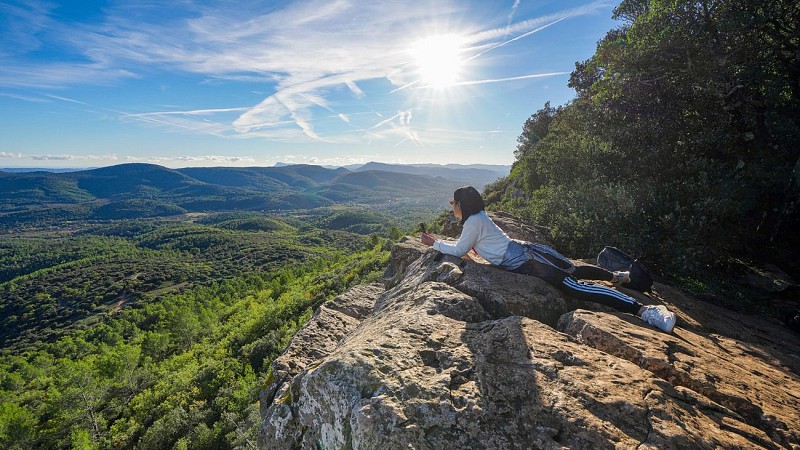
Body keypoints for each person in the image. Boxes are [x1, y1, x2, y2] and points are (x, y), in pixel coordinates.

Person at [420, 186, 677, 333]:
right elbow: (472, 245)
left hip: (529, 261)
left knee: (576, 287)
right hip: (527, 252)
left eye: (453, 202)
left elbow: (458, 249)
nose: (452, 206)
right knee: (574, 270)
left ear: (462, 205)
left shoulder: (474, 221)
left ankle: (645, 311)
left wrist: (434, 243)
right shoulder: (479, 218)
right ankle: (616, 277)